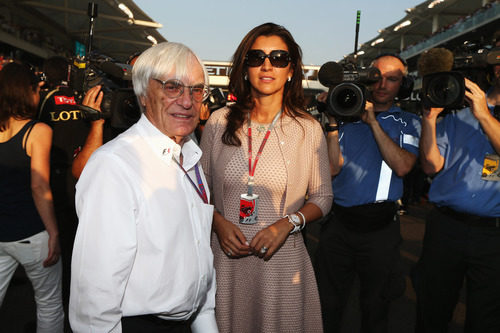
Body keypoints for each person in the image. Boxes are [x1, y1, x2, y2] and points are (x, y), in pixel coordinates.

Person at [69, 42, 218, 333]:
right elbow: (95, 297)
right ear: (143, 94)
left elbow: (201, 258)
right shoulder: (114, 166)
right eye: (173, 87)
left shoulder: (191, 156)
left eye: (197, 89)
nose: (188, 101)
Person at [200, 22, 332, 333]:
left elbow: (323, 197)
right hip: (225, 258)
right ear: (245, 68)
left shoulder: (308, 128)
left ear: (291, 70)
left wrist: (287, 224)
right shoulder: (219, 122)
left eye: (279, 58)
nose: (267, 65)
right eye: (257, 57)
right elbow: (197, 189)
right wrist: (217, 222)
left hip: (282, 260)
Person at [315, 54, 421, 332]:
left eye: (393, 79)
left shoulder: (408, 121)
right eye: (376, 77)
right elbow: (331, 169)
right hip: (337, 225)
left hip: (380, 230)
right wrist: (332, 122)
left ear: (403, 85)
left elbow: (402, 166)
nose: (382, 84)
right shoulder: (342, 112)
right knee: (327, 305)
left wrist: (372, 121)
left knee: (376, 307)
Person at [415, 50, 500, 331]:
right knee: (432, 310)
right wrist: (429, 118)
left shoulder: (478, 112)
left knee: (485, 318)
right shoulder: (456, 114)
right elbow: (430, 166)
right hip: (446, 227)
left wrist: (484, 116)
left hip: (493, 235)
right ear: (495, 70)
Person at [0, 62, 64, 332]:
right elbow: (39, 187)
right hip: (31, 233)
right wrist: (54, 233)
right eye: (36, 89)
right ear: (25, 92)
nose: (39, 95)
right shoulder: (38, 131)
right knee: (49, 304)